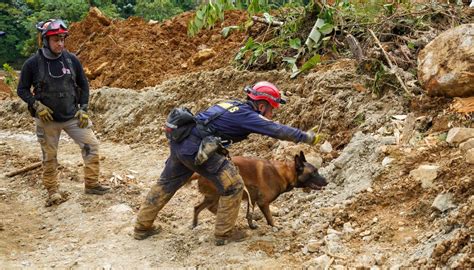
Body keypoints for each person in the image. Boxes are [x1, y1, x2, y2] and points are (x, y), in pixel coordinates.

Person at [134, 81, 321, 245]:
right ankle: (224, 233)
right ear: (262, 106)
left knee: (166, 183)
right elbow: (276, 129)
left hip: (181, 142)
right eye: (272, 109)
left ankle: (142, 227)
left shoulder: (232, 104)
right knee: (234, 186)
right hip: (198, 149)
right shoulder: (249, 116)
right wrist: (305, 137)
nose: (272, 113)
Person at [17, 19, 110, 206]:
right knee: (49, 156)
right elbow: (22, 89)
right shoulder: (33, 63)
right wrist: (36, 105)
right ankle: (52, 191)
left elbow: (83, 84)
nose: (60, 43)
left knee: (91, 145)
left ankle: (91, 184)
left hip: (72, 116)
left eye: (62, 39)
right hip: (47, 119)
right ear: (45, 41)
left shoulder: (71, 59)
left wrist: (83, 108)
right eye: (55, 40)